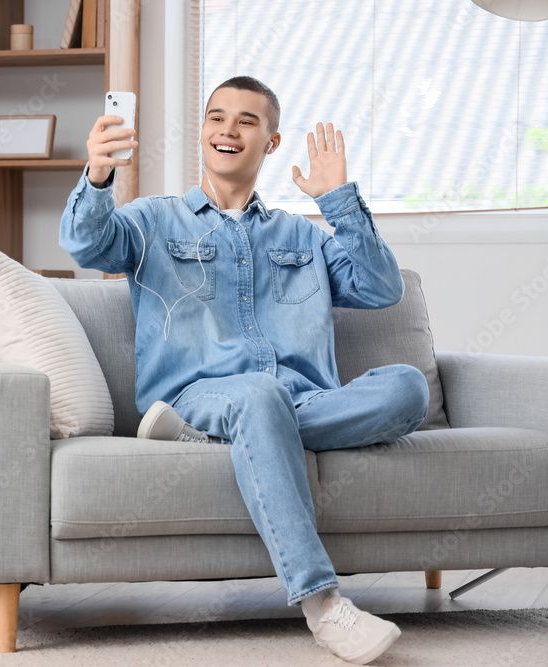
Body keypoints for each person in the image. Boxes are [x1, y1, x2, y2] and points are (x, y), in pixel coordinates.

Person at [59, 76, 430, 665]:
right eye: (215, 117)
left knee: (408, 386)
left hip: (300, 401)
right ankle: (323, 604)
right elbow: (86, 244)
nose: (227, 129)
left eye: (246, 120)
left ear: (272, 142)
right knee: (257, 396)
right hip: (197, 394)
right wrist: (98, 175)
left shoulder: (301, 235)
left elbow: (382, 289)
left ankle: (227, 442)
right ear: (203, 131)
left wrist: (338, 201)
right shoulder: (154, 220)